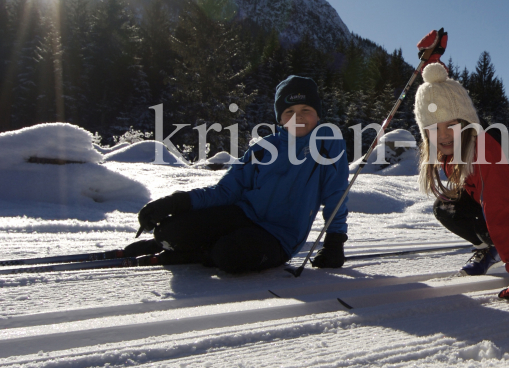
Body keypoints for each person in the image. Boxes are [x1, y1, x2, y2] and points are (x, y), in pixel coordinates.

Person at [127, 75, 350, 273]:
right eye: (289, 111)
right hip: (241, 215)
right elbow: (227, 190)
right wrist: (178, 202)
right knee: (169, 231)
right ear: (280, 118)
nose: (297, 117)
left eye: (306, 110)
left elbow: (336, 194)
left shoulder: (327, 142)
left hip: (280, 237)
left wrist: (335, 241)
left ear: (318, 115)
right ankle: (177, 245)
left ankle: (197, 252)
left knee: (230, 255)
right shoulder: (264, 148)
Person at [413, 61, 509, 302]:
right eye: (434, 129)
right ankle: (488, 246)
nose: (444, 135)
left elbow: (500, 208)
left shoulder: (482, 148)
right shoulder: (448, 150)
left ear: (466, 123)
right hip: (497, 198)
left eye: (451, 125)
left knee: (489, 223)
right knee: (445, 207)